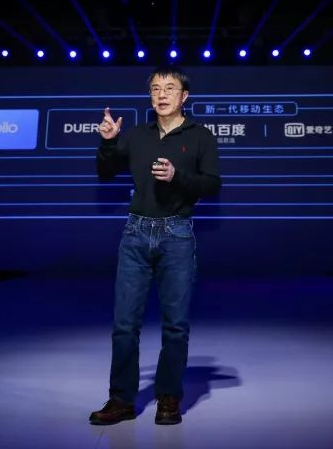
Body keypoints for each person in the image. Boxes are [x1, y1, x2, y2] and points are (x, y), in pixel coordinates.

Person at [89, 65, 222, 425]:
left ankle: (168, 397)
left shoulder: (201, 136)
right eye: (155, 89)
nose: (161, 95)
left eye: (169, 88)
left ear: (184, 96)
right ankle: (121, 400)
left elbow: (212, 184)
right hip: (135, 234)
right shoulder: (135, 135)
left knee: (175, 325)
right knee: (124, 324)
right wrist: (108, 142)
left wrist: (178, 177)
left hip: (177, 235)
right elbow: (105, 173)